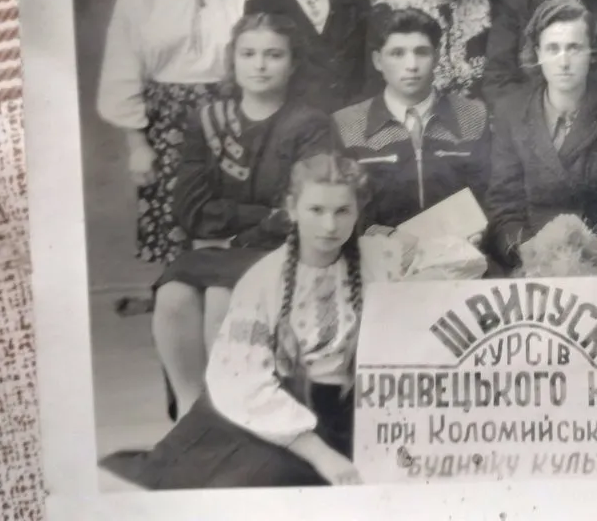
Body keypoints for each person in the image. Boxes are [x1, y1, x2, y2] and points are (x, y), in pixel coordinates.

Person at [99, 152, 488, 489]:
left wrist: (416, 262)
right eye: (316, 210)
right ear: (291, 209)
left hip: (346, 412)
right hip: (274, 412)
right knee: (258, 484)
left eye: (342, 211)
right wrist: (321, 455)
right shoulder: (264, 280)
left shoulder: (376, 257)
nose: (329, 226)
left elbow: (464, 260)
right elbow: (242, 381)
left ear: (358, 211)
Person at [154, 13, 334, 420]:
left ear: (292, 63)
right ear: (232, 59)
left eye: (274, 55)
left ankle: (229, 415)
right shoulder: (207, 120)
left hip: (281, 249)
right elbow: (190, 209)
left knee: (223, 293)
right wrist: (261, 213)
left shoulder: (310, 125)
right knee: (172, 294)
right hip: (219, 248)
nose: (260, 65)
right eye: (248, 54)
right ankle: (190, 412)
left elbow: (301, 210)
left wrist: (239, 228)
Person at [97, 0, 258, 268]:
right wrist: (137, 144)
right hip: (166, 125)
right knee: (174, 224)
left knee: (226, 223)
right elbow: (122, 71)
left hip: (231, 120)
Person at [485, 0, 597, 272]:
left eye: (574, 48)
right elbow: (505, 204)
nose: (563, 62)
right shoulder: (511, 111)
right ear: (538, 53)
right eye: (552, 49)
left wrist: (586, 253)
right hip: (529, 257)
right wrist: (529, 252)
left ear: (591, 52)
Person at [334, 6, 490, 230]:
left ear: (437, 57)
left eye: (422, 52)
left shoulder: (474, 117)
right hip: (379, 248)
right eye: (397, 54)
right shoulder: (347, 124)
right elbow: (340, 207)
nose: (411, 66)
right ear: (378, 61)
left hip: (460, 244)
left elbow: (489, 195)